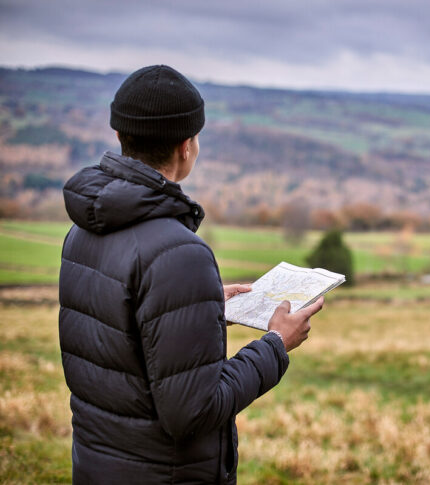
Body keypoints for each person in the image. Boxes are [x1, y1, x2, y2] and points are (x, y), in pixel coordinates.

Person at [58, 65, 323, 485]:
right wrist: (276, 344)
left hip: (97, 464)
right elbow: (193, 410)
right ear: (186, 147)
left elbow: (121, 342)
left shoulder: (84, 230)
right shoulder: (180, 253)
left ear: (120, 136)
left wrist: (198, 310)